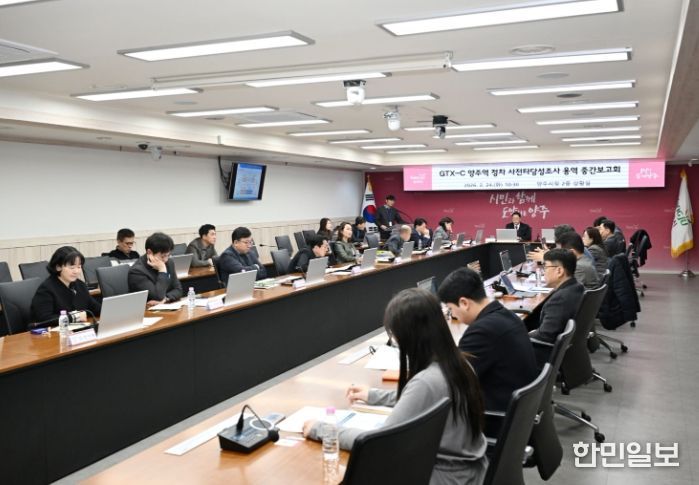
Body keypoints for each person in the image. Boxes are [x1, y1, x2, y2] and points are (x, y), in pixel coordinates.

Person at [303, 288, 488, 484]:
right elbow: (420, 399)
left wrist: (323, 429)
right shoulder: (458, 363)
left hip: (445, 477)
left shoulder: (427, 381)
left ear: (410, 336)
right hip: (469, 473)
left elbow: (379, 443)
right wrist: (372, 395)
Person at [438, 268, 538, 412]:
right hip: (521, 411)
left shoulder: (481, 332)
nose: (452, 314)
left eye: (450, 309)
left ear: (464, 303)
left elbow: (451, 380)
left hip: (496, 415)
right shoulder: (507, 315)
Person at [527, 249, 585, 367]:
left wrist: (524, 335)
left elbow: (544, 336)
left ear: (559, 271)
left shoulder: (560, 299)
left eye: (545, 267)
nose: (543, 272)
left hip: (542, 355)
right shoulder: (577, 287)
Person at [31, 246, 102, 327]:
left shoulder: (80, 285)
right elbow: (45, 319)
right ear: (58, 267)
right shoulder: (46, 290)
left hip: (75, 330)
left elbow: (95, 308)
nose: (76, 271)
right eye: (72, 267)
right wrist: (76, 317)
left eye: (79, 267)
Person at [128, 232, 183, 307]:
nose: (166, 260)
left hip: (164, 306)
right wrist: (162, 270)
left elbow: (178, 289)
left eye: (168, 255)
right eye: (163, 256)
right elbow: (158, 296)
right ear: (149, 252)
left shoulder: (169, 263)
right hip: (146, 310)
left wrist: (166, 299)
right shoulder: (137, 271)